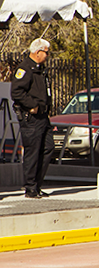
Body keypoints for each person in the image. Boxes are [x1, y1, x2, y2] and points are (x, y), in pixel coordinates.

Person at [12, 38, 54, 198]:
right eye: (46, 53)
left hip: (43, 116)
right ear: (38, 52)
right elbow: (16, 92)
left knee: (48, 147)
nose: (47, 56)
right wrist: (32, 106)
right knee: (32, 151)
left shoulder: (40, 69)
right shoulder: (25, 69)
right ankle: (30, 187)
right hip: (31, 117)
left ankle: (37, 184)